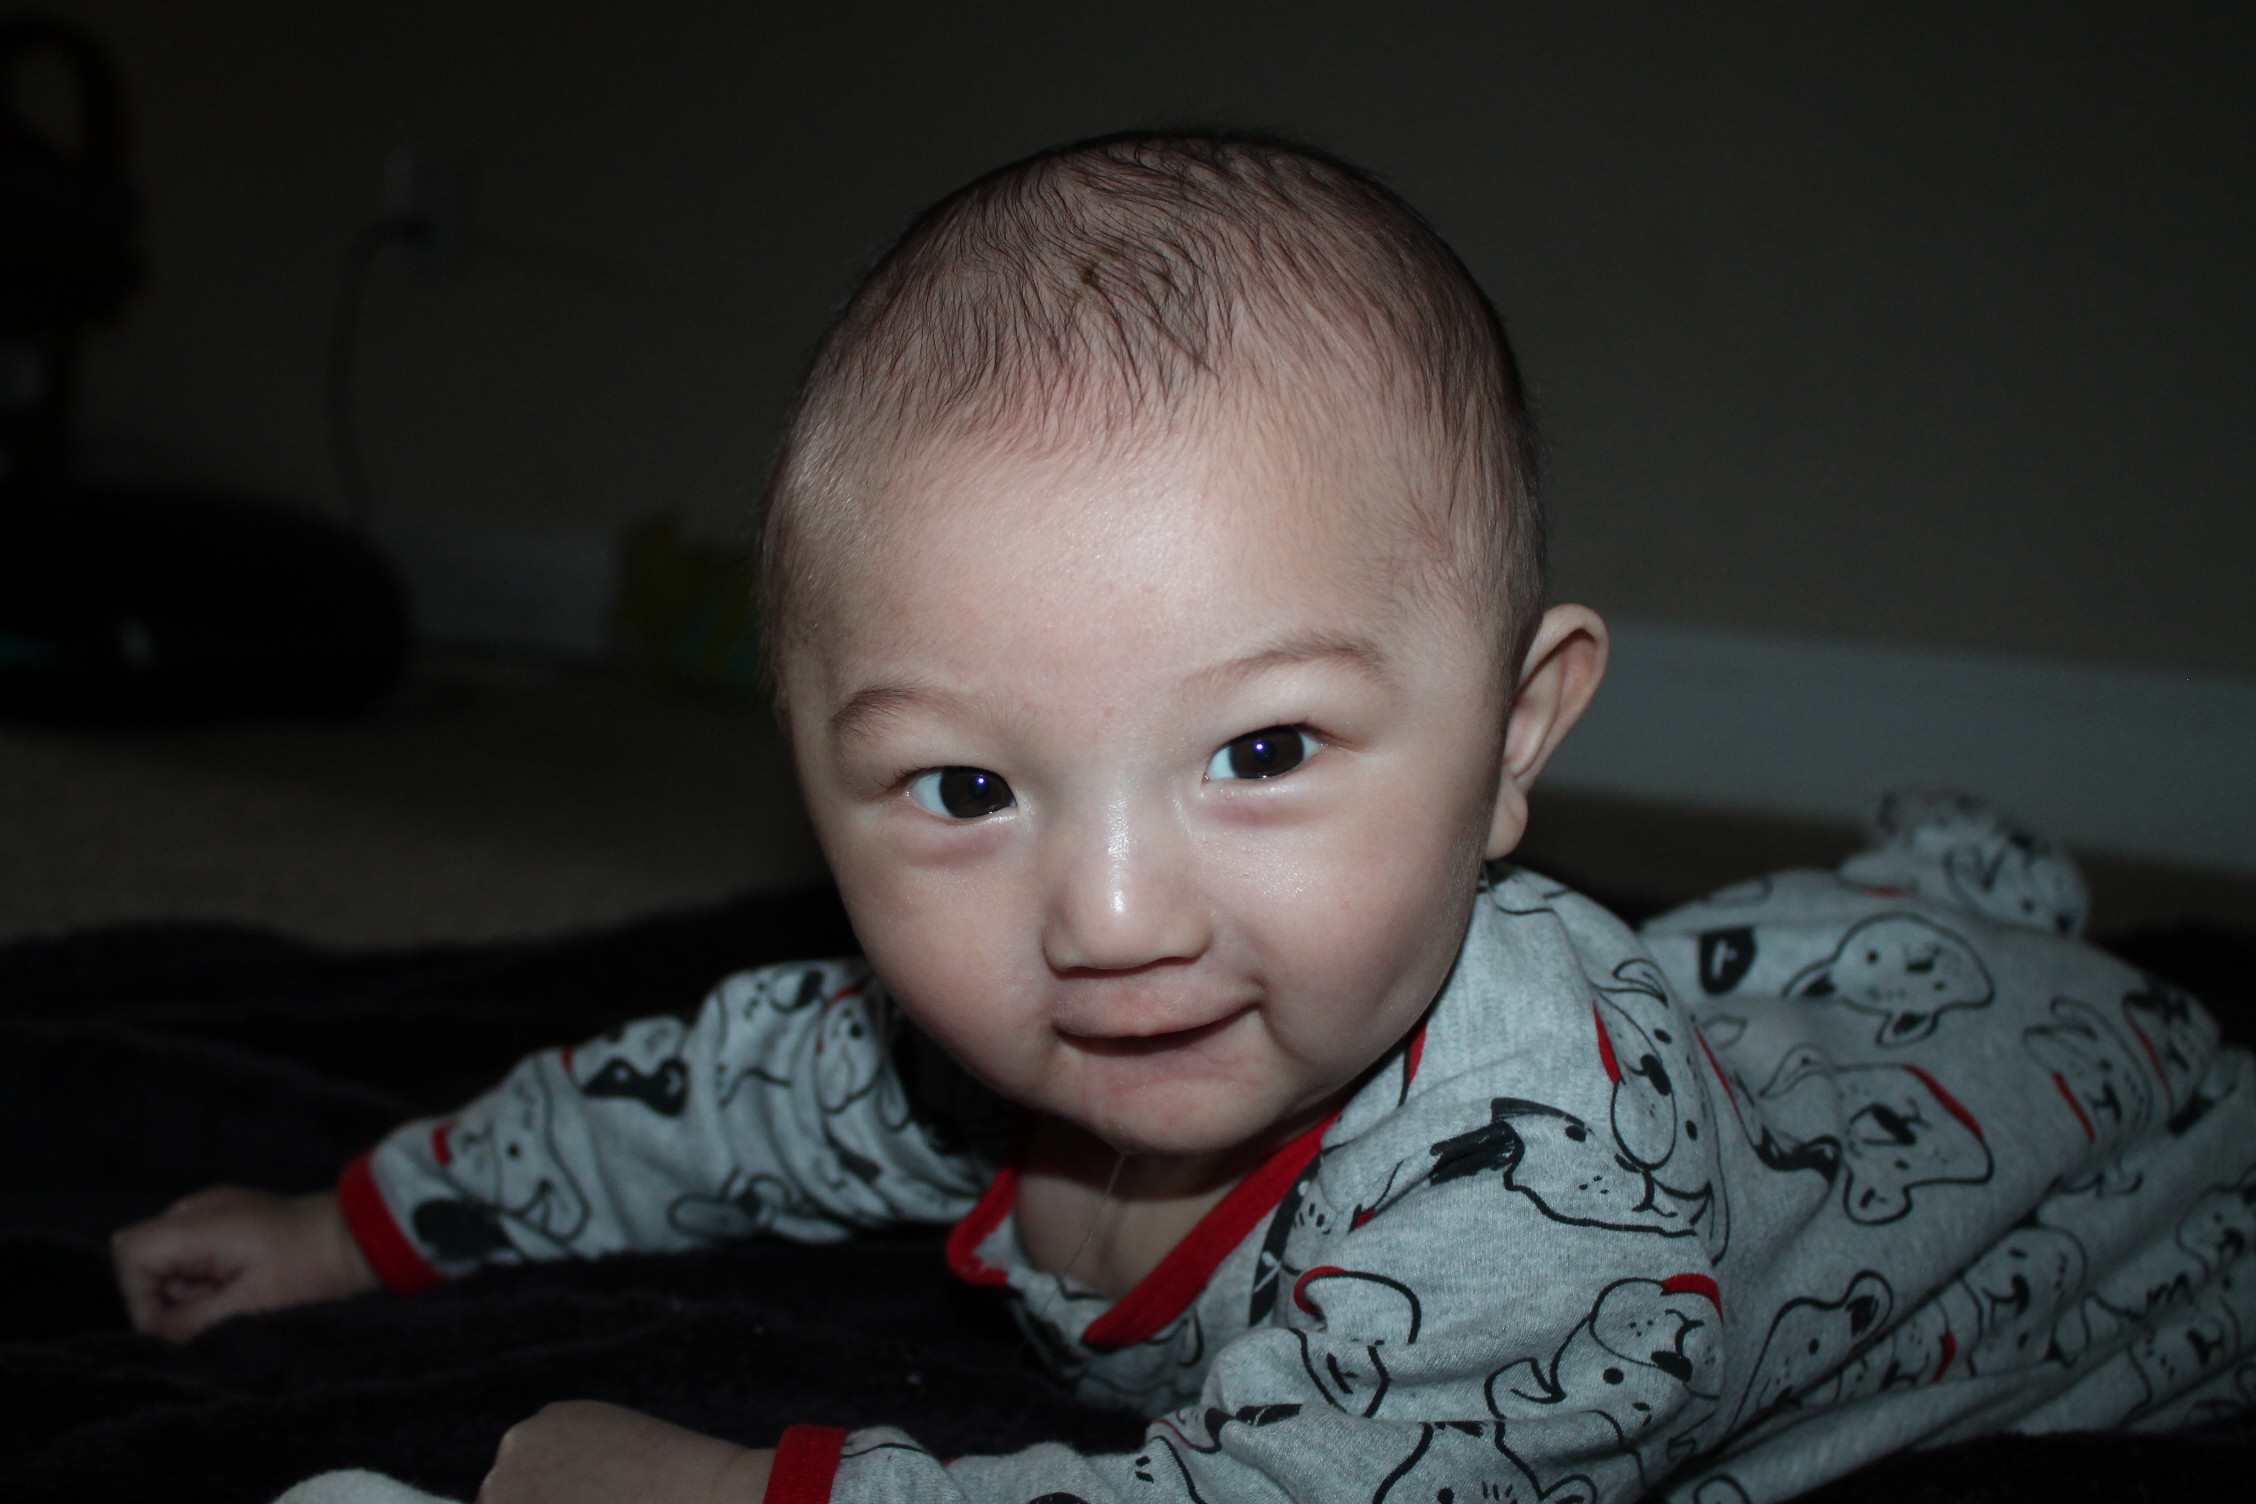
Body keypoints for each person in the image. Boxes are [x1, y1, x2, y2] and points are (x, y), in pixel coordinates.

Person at [111, 133, 2255, 1504]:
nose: (1113, 914)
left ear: (1518, 735)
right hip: (1755, 1019)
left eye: (1263, 750)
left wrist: (730, 1487)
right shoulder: (944, 1042)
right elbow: (683, 1102)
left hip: (2111, 1184)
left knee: (1920, 1044)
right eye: (969, 787)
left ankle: (1974, 921)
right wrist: (343, 1229)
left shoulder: (1554, 1210)